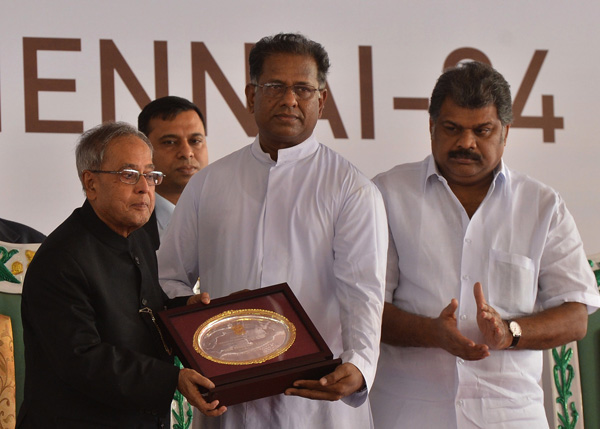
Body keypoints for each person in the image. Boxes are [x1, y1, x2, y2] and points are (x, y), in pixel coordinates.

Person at [158, 33, 388, 429]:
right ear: (251, 95)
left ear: (322, 100)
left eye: (303, 88)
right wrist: (188, 316)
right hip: (225, 400)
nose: (290, 100)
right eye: (275, 87)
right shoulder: (209, 183)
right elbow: (169, 278)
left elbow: (363, 291)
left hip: (315, 403)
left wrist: (360, 364)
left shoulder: (351, 189)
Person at [369, 61, 600, 428]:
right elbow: (366, 305)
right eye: (452, 129)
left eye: (482, 130)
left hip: (509, 415)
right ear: (431, 127)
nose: (466, 142)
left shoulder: (542, 206)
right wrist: (432, 333)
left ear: (505, 133)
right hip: (409, 414)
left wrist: (511, 333)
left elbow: (575, 315)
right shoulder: (387, 194)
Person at [17, 122, 225, 428]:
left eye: (150, 175)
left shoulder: (137, 234)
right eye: (129, 175)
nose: (144, 187)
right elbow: (83, 359)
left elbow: (140, 314)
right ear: (91, 184)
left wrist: (184, 312)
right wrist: (172, 379)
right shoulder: (61, 259)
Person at [138, 96, 208, 247]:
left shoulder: (234, 212)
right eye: (170, 142)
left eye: (195, 141)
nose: (187, 152)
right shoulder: (127, 223)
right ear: (145, 148)